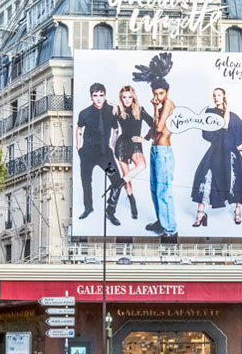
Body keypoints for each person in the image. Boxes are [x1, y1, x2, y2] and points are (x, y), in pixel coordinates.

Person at [190, 87, 242, 227]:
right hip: (216, 150)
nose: (216, 97)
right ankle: (200, 214)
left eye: (218, 95)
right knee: (205, 177)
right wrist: (221, 125)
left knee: (237, 179)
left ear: (224, 96)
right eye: (214, 95)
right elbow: (206, 133)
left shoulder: (232, 115)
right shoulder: (210, 113)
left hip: (230, 152)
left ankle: (237, 211)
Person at [132, 53, 177, 237]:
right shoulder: (161, 104)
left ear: (166, 92)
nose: (157, 96)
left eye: (160, 93)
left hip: (164, 152)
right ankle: (161, 221)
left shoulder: (167, 103)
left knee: (163, 190)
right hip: (155, 151)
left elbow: (159, 127)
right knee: (154, 189)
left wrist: (155, 107)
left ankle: (170, 228)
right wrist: (143, 138)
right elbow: (153, 131)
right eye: (155, 93)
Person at [76, 83, 123, 225]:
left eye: (101, 95)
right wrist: (79, 148)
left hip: (104, 155)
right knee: (86, 182)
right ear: (91, 97)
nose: (98, 99)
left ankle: (110, 211)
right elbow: (79, 129)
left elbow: (116, 129)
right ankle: (88, 208)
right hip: (88, 154)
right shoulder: (84, 113)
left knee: (117, 181)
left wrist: (112, 145)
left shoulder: (111, 110)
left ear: (105, 96)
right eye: (95, 95)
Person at [114, 85, 153, 219]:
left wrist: (145, 138)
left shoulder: (140, 110)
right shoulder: (119, 110)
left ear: (133, 97)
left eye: (129, 97)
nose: (127, 100)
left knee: (142, 165)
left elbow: (154, 124)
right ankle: (132, 201)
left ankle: (117, 185)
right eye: (124, 97)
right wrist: (111, 105)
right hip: (121, 145)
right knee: (127, 178)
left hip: (135, 144)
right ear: (121, 98)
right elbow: (108, 122)